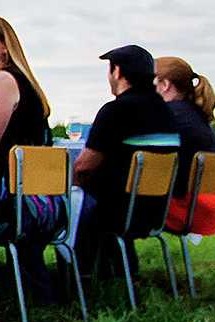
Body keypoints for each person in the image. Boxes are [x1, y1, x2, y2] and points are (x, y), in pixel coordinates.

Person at [0, 16, 59, 306]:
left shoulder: (2, 80)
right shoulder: (26, 83)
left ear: (5, 46)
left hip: (14, 207)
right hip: (44, 202)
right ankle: (9, 288)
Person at [72, 44, 180, 276]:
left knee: (75, 201)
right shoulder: (166, 111)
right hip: (156, 210)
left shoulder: (115, 111)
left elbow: (83, 167)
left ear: (117, 71)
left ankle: (78, 278)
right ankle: (118, 275)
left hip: (118, 213)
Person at [156, 56, 215, 196]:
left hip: (175, 208)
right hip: (201, 209)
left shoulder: (167, 116)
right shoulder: (197, 115)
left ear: (165, 85)